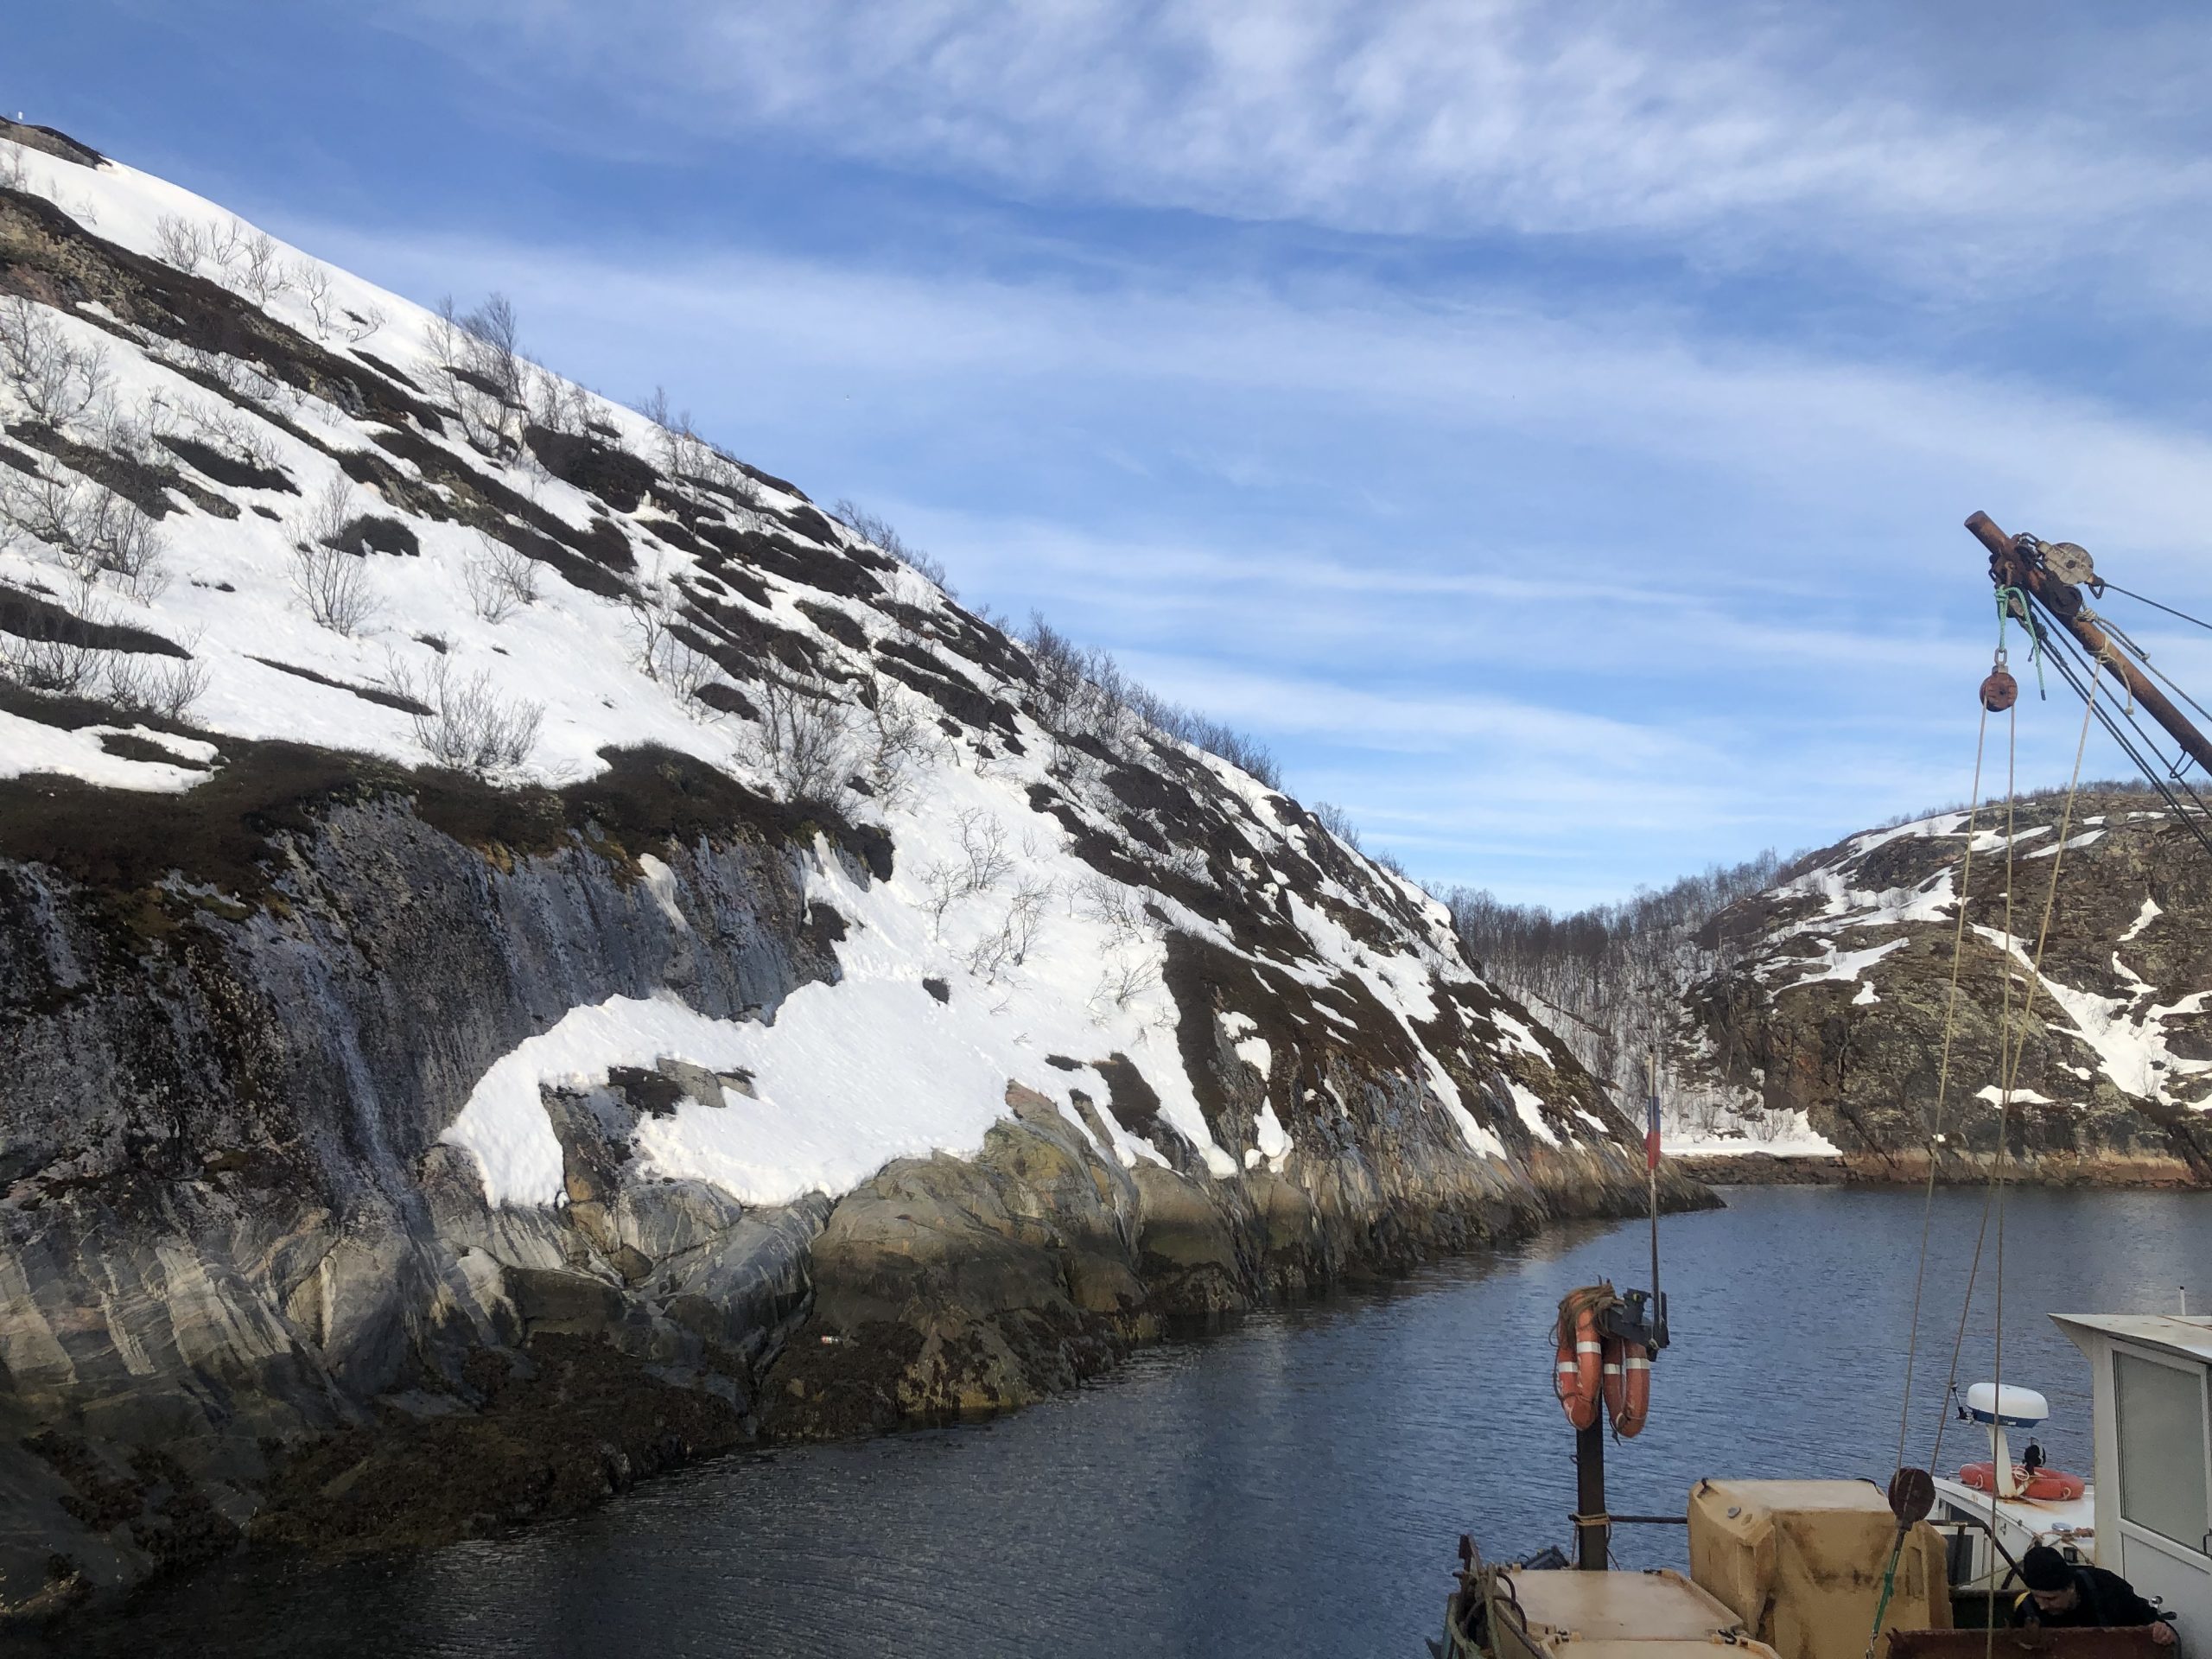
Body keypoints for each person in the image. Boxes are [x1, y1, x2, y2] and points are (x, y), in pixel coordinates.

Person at [2012, 1544, 2176, 1644]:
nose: (2041, 1605)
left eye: (2051, 1599)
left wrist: (2162, 1631)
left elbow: (2149, 1619)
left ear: (2070, 1588)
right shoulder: (2027, 1612)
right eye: (2036, 1596)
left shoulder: (2107, 1587)